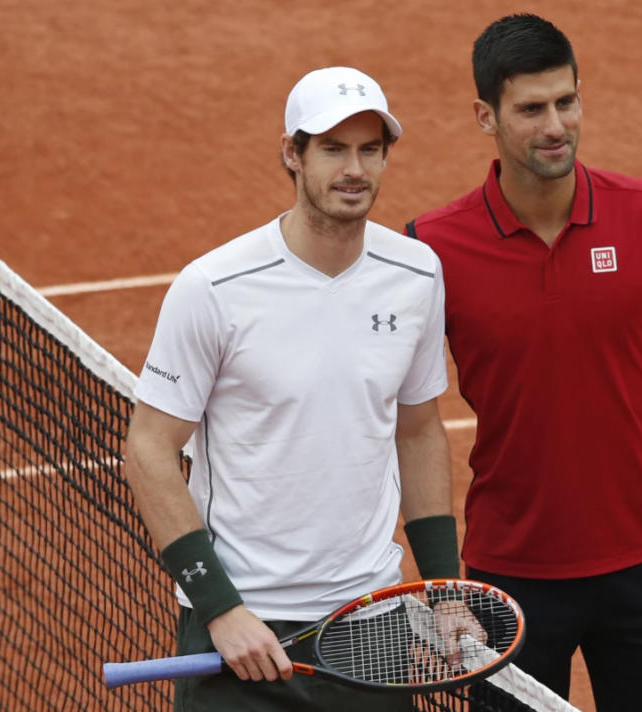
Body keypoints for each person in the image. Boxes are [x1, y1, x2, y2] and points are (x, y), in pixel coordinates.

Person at [404, 15, 642, 710]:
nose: (555, 126)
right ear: (486, 116)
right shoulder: (431, 251)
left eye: (566, 102)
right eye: (530, 109)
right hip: (507, 578)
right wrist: (440, 583)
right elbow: (413, 422)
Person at [124, 66, 462, 712]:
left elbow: (418, 431)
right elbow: (147, 450)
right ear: (292, 154)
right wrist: (222, 610)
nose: (353, 168)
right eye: (332, 149)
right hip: (243, 634)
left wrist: (445, 593)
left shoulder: (417, 276)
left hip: (370, 626)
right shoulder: (214, 289)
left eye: (369, 149)